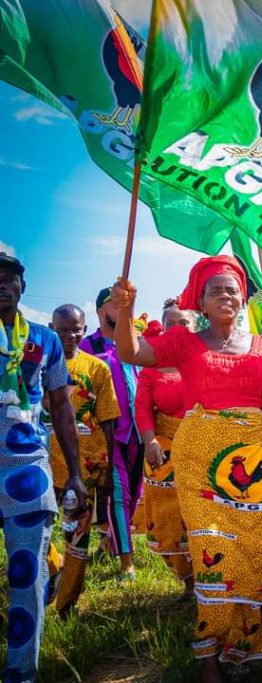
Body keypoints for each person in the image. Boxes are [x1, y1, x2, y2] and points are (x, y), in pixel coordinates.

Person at [111, 256, 262, 681]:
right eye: (216, 290)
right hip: (200, 461)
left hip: (257, 462)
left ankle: (242, 645)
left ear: (243, 297)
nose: (226, 295)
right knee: (215, 550)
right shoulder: (183, 342)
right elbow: (130, 351)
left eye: (232, 288)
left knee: (256, 551)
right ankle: (208, 652)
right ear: (202, 300)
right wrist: (125, 309)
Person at [0, 253, 87, 681]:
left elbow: (61, 406)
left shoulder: (45, 341)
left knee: (27, 575)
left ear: (22, 288)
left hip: (28, 471)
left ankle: (21, 673)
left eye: (9, 279)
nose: (1, 285)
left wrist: (74, 472)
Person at [47, 304, 119, 617]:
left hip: (84, 467)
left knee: (77, 538)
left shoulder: (97, 369)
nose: (70, 335)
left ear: (85, 329)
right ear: (52, 329)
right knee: (36, 533)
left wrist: (107, 469)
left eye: (76, 329)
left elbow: (108, 421)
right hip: (41, 465)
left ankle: (66, 605)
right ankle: (53, 567)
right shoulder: (36, 367)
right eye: (63, 329)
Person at [81, 286, 142, 578]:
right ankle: (126, 563)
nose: (122, 309)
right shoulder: (87, 347)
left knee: (137, 494)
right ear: (101, 310)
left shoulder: (133, 343)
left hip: (139, 433)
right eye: (116, 304)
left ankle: (109, 542)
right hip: (108, 433)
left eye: (126, 304)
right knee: (120, 496)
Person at [135, 309, 194, 596]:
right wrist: (150, 441)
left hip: (202, 444)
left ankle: (211, 578)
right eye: (171, 323)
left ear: (195, 326)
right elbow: (143, 409)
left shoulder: (204, 360)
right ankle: (187, 578)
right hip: (165, 448)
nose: (178, 328)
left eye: (185, 323)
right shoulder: (150, 367)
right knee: (169, 517)